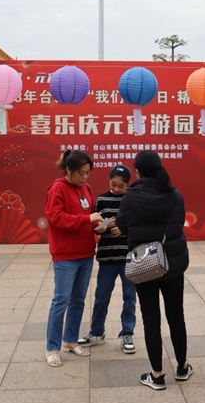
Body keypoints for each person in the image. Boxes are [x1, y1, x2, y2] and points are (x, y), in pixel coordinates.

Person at [117, 150, 191, 390]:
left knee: (151, 321)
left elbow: (122, 225)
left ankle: (157, 375)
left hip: (144, 266)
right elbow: (178, 223)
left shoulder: (130, 197)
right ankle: (182, 367)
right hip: (173, 263)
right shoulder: (175, 195)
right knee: (176, 316)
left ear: (137, 172)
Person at [44, 150, 103, 367]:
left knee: (78, 299)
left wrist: (99, 226)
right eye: (81, 173)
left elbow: (90, 217)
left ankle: (70, 340)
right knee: (61, 300)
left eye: (88, 172)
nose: (85, 177)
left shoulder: (85, 188)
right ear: (68, 169)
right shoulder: (57, 188)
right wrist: (86, 219)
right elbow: (56, 218)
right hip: (65, 255)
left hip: (85, 252)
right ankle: (52, 348)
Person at [78, 164, 138, 354]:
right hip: (107, 257)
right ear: (109, 180)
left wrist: (124, 229)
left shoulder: (132, 199)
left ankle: (127, 333)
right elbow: (94, 226)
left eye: (121, 186)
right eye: (113, 184)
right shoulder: (102, 199)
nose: (117, 189)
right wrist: (101, 228)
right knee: (101, 297)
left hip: (129, 257)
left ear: (128, 184)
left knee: (130, 298)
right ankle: (96, 333)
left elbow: (140, 225)